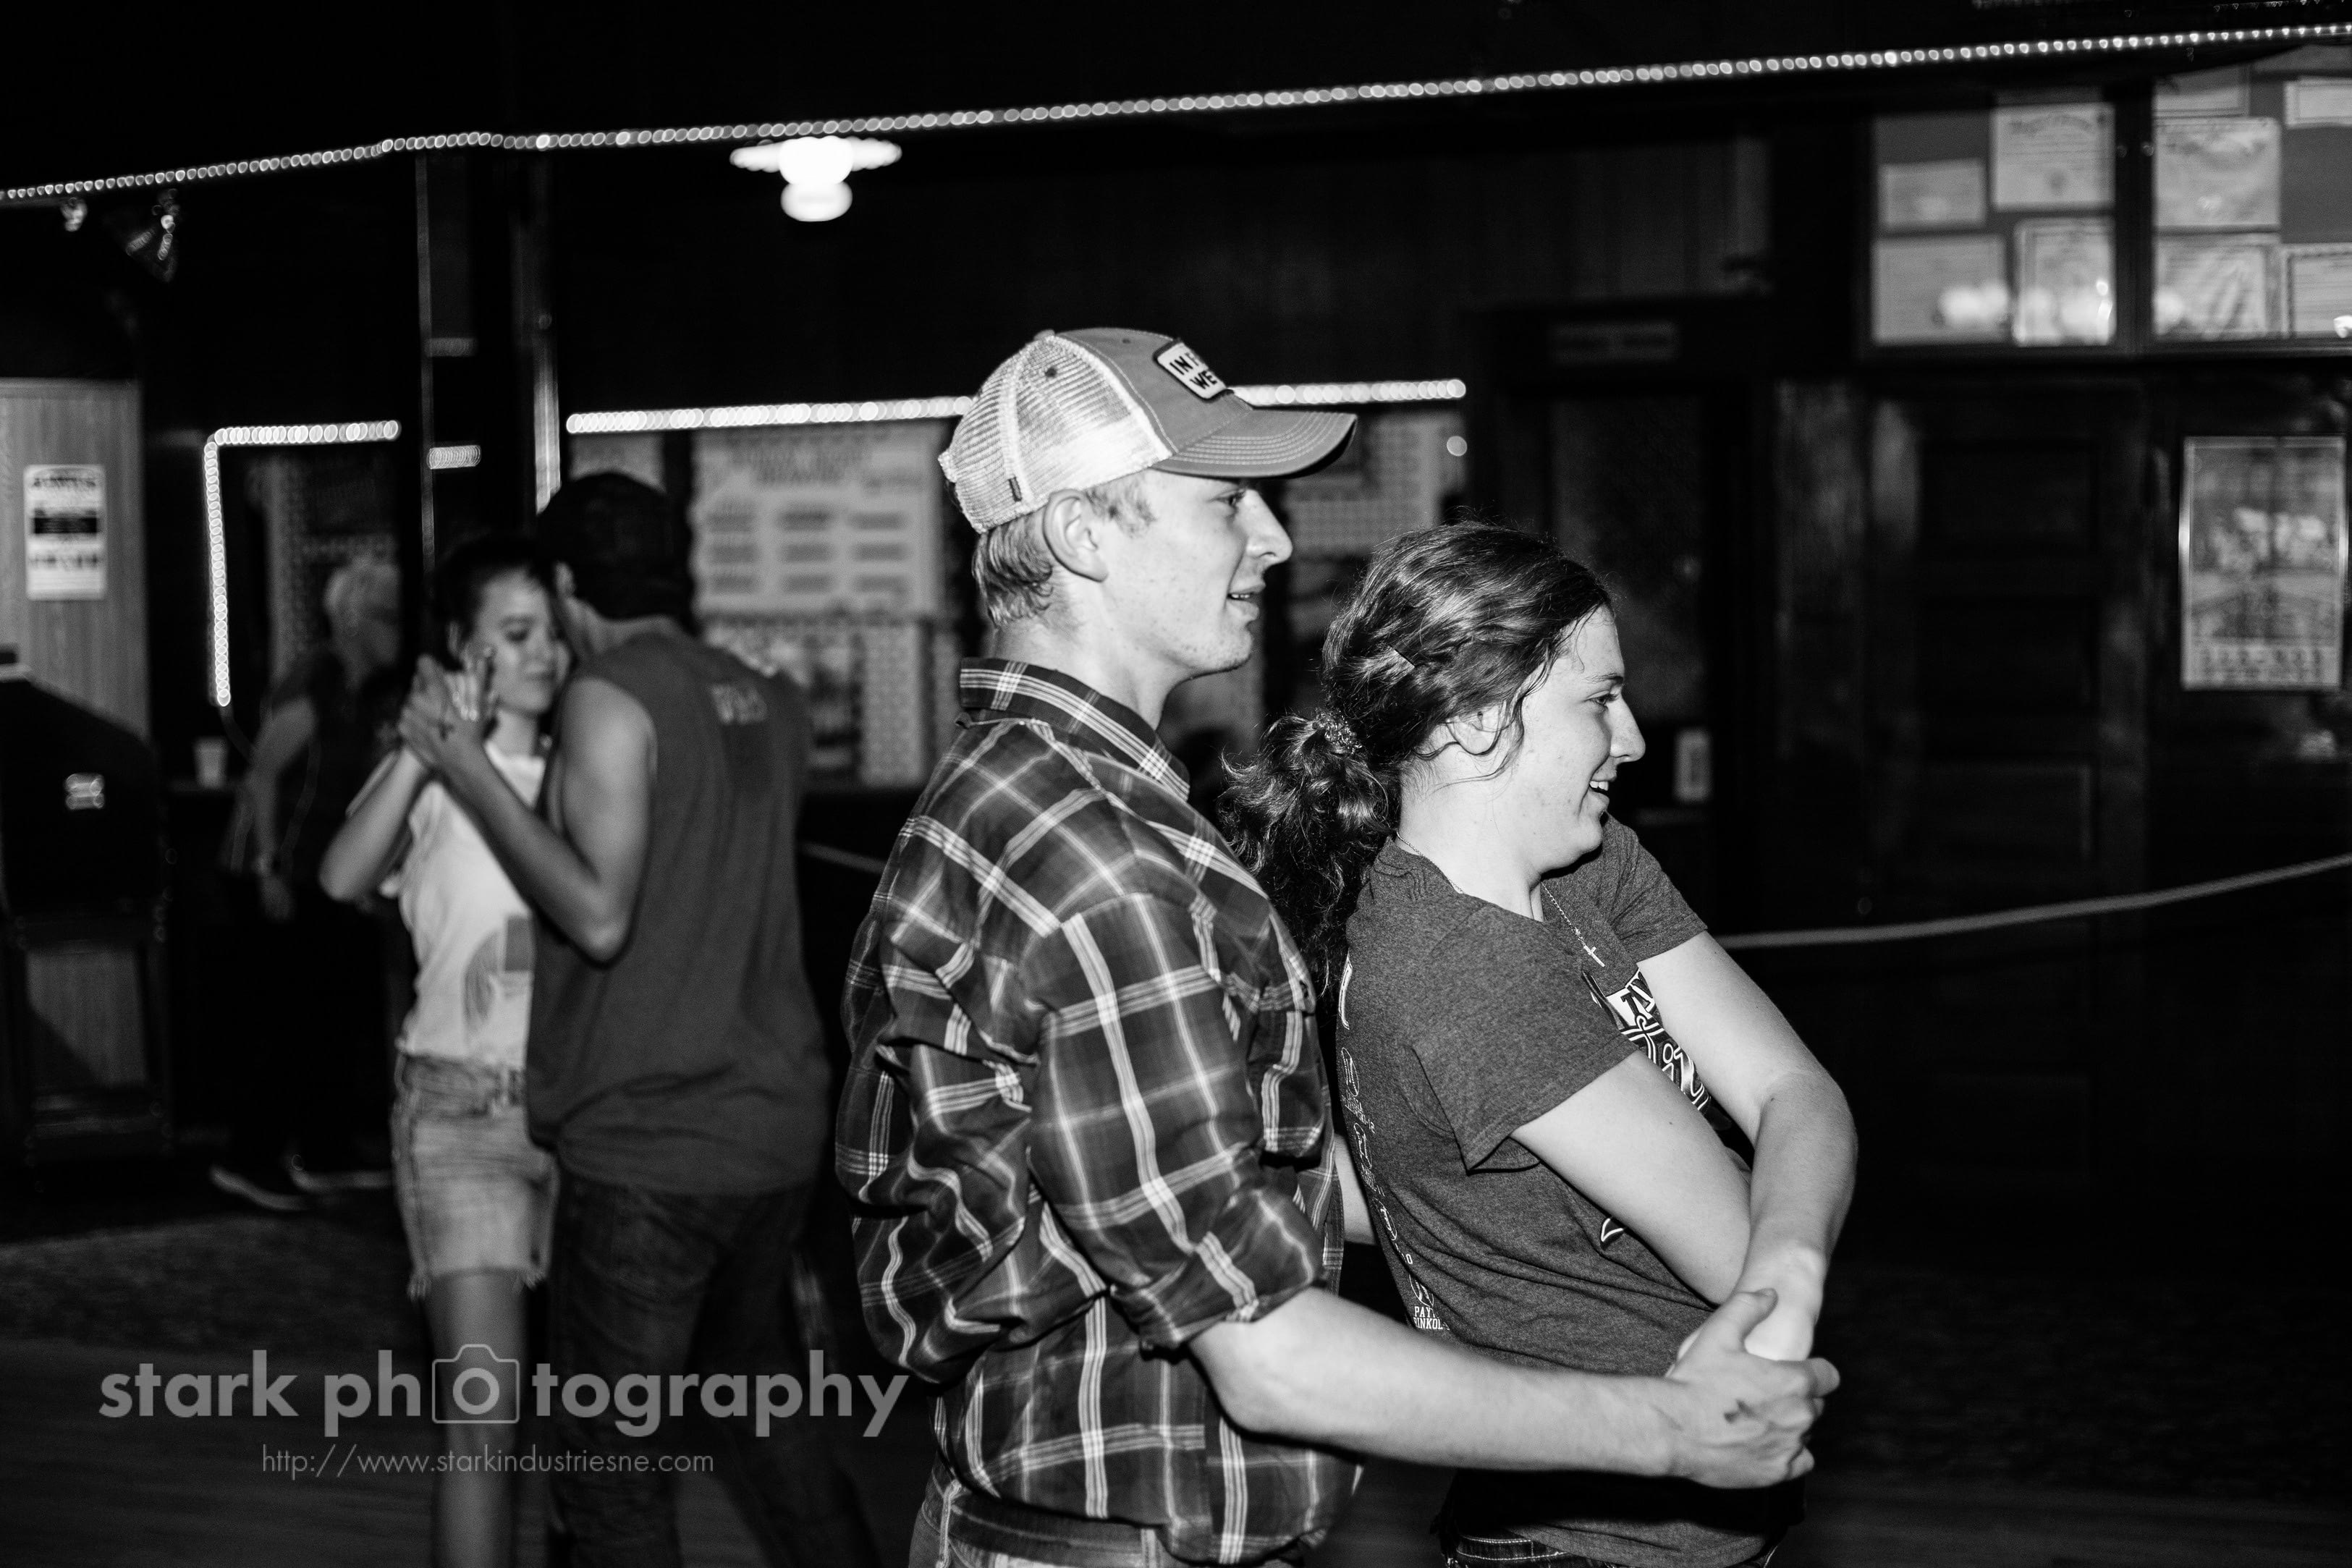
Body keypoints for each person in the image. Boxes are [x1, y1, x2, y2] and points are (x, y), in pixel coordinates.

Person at [838, 329, 1839, 1568]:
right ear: (1085, 532)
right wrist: (1677, 1428)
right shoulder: (1096, 859)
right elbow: (1265, 1350)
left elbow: (1151, 1192)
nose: (1272, 538)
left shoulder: (1035, 797)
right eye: (1225, 502)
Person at [1223, 522, 1860, 1568]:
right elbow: (1731, 1244)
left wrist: (1786, 1266)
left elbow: (1799, 1087)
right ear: (1478, 716)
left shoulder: (1587, 862)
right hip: (1592, 1541)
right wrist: (1782, 1253)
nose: (1632, 738)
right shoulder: (1464, 971)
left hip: (1677, 1523)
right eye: (1599, 699)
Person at [398, 476, 880, 1568]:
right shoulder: (766, 695)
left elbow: (599, 915)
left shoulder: (608, 695)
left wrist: (468, 767)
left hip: (652, 1137)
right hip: (772, 1130)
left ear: (569, 584)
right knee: (769, 1421)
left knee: (610, 1475)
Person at [320, 535, 569, 1568]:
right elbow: (341, 876)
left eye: (553, 630)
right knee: (483, 1423)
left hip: (586, 1112)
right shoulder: (430, 773)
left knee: (594, 1424)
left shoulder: (595, 765)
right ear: (466, 647)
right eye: (517, 632)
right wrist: (427, 749)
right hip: (460, 1116)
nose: (545, 652)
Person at [210, 556, 405, 1211]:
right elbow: (264, 774)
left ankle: (324, 1149)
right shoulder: (316, 680)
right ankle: (248, 1156)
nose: (397, 630)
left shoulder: (366, 688)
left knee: (330, 1013)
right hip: (273, 870)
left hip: (319, 871)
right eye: (386, 616)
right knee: (287, 1017)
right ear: (351, 618)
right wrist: (269, 866)